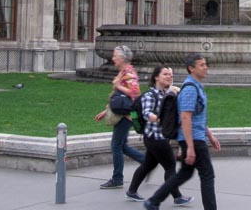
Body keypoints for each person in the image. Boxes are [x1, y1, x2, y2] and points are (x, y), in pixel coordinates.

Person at [143, 53, 221, 210]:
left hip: (195, 137)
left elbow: (198, 116)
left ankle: (154, 201)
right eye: (202, 65)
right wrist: (190, 147)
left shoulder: (196, 86)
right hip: (193, 139)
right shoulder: (190, 89)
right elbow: (185, 117)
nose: (206, 67)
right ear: (191, 68)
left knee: (185, 173)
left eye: (206, 64)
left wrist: (210, 134)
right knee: (207, 175)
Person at [126, 66, 192, 205]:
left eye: (170, 74)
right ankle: (177, 197)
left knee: (148, 164)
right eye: (165, 74)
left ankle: (131, 191)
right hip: (155, 138)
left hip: (158, 137)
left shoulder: (167, 94)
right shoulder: (150, 95)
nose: (169, 76)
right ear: (156, 77)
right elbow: (147, 114)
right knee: (170, 166)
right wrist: (162, 118)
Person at [94, 45, 144, 189]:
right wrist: (106, 111)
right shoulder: (124, 71)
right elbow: (118, 97)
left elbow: (135, 93)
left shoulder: (128, 72)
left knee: (116, 146)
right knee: (121, 145)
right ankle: (146, 162)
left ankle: (117, 179)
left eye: (115, 55)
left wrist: (118, 85)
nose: (113, 58)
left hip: (126, 115)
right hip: (123, 114)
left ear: (122, 58)